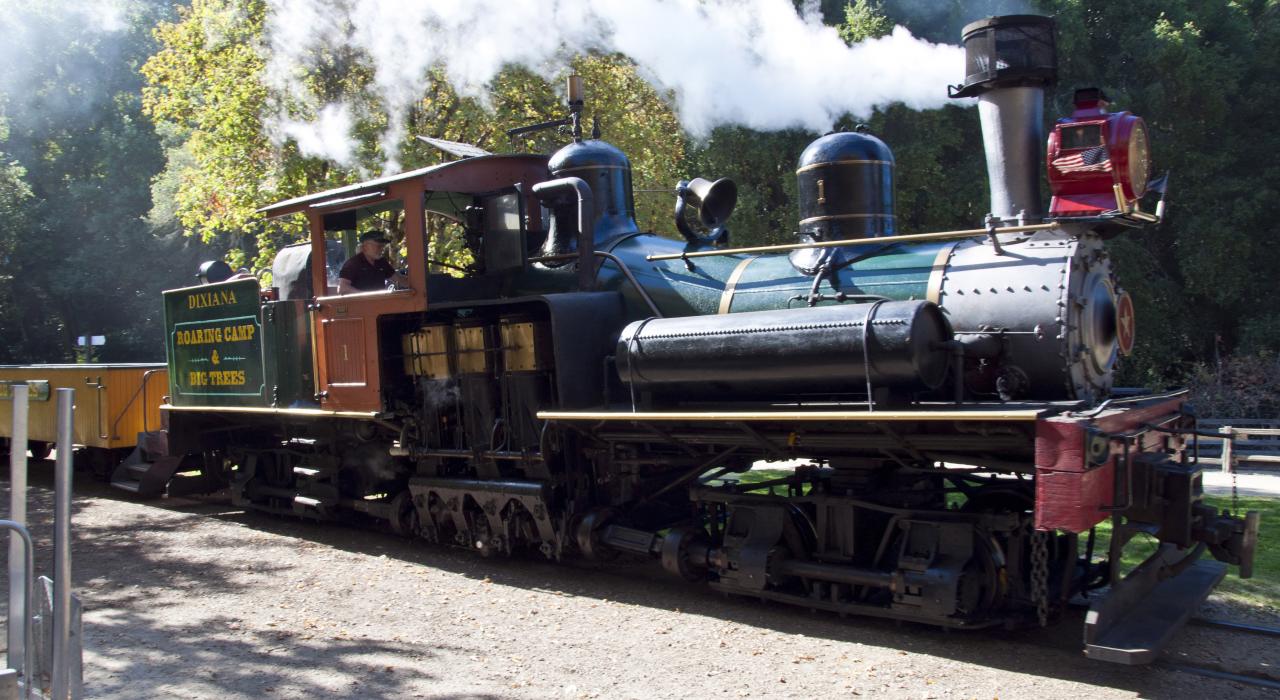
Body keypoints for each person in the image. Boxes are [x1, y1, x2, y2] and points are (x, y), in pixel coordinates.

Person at [337, 231, 407, 294]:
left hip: (379, 304)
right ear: (365, 247)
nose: (382, 249)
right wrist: (367, 297)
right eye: (379, 246)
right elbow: (342, 288)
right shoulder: (353, 263)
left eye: (383, 246)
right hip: (360, 306)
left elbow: (399, 279)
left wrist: (416, 283)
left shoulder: (381, 262)